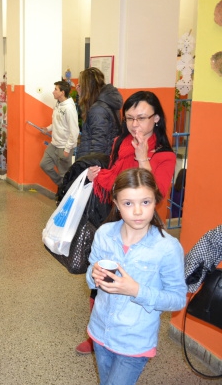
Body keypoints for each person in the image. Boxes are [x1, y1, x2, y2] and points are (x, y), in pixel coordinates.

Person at [75, 90, 176, 355]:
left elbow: (157, 194)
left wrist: (143, 157)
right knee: (102, 275)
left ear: (156, 118)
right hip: (113, 217)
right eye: (129, 118)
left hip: (141, 225)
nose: (134, 124)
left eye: (141, 118)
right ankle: (97, 335)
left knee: (134, 280)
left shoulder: (164, 155)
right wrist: (98, 175)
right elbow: (116, 175)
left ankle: (128, 338)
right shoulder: (121, 142)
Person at [86, 168, 186, 384]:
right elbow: (90, 276)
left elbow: (178, 298)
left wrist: (136, 290)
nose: (138, 211)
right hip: (100, 331)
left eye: (145, 202)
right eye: (128, 203)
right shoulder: (104, 234)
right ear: (116, 203)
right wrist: (93, 274)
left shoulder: (167, 248)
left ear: (156, 201)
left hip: (134, 341)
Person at [75, 67, 123, 159]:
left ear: (87, 87)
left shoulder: (98, 109)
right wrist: (81, 96)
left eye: (81, 85)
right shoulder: (106, 102)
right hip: (103, 157)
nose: (79, 87)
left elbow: (98, 143)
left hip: (94, 161)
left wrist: (91, 164)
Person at [39, 80, 79, 187]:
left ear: (62, 92)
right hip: (54, 144)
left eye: (55, 89)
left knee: (64, 174)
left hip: (64, 146)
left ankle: (65, 192)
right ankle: (61, 185)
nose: (53, 92)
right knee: (44, 164)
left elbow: (74, 131)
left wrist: (67, 149)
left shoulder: (69, 108)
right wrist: (48, 129)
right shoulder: (58, 104)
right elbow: (57, 122)